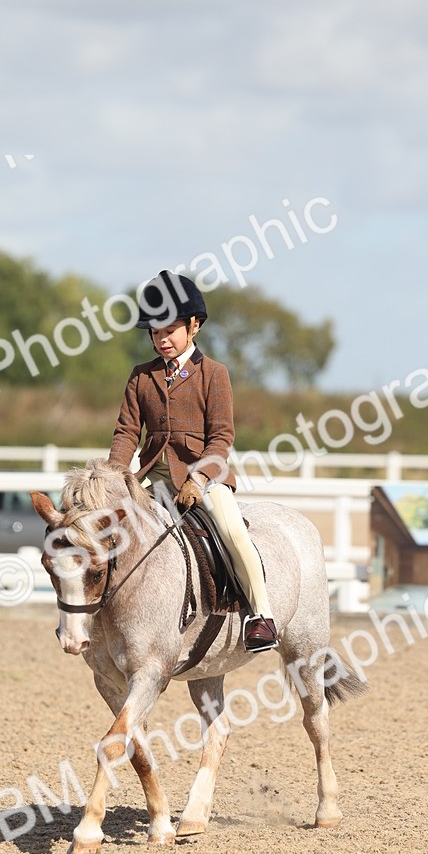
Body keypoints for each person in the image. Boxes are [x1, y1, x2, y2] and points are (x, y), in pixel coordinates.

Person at [108, 269, 278, 652]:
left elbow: (221, 437)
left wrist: (198, 480)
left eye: (169, 330)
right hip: (153, 480)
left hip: (205, 478)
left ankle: (260, 615)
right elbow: (126, 434)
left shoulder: (214, 374)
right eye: (154, 332)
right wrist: (116, 480)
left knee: (233, 532)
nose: (162, 339)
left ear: (194, 326)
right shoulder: (140, 378)